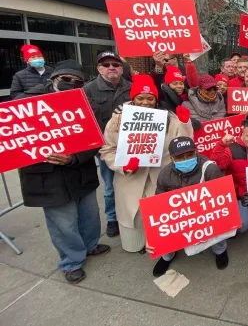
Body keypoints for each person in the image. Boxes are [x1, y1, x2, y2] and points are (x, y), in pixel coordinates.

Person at [16, 60, 110, 284]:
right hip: (46, 176)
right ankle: (71, 262)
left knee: (89, 215)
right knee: (63, 222)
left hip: (80, 170)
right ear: (54, 79)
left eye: (76, 81)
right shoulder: (27, 104)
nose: (70, 84)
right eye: (65, 79)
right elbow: (17, 139)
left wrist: (74, 158)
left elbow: (96, 141)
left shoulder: (89, 105)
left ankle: (90, 245)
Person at [99, 74, 193, 253]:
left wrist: (184, 122)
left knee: (160, 225)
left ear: (156, 99)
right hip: (130, 178)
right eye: (140, 98)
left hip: (160, 176)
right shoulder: (117, 120)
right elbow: (107, 150)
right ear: (133, 99)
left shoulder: (169, 119)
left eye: (150, 98)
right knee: (133, 233)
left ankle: (160, 244)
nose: (145, 102)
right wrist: (123, 165)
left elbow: (184, 144)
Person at [148, 137, 229, 276]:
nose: (185, 159)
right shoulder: (164, 175)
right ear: (172, 158)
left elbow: (221, 200)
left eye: (190, 154)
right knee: (166, 228)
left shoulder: (210, 169)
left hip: (206, 212)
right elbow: (159, 206)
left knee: (218, 220)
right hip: (179, 215)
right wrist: (153, 235)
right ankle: (166, 256)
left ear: (196, 152)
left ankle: (220, 250)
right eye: (179, 157)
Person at [84, 51, 132, 238]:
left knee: (131, 184)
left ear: (121, 68)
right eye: (106, 65)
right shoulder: (88, 90)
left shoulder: (131, 88)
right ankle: (112, 219)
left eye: (115, 64)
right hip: (107, 149)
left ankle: (130, 217)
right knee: (111, 186)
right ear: (99, 68)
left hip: (132, 146)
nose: (111, 67)